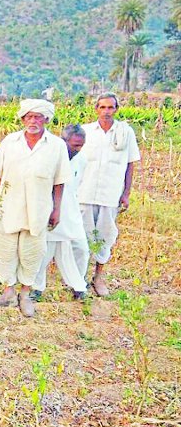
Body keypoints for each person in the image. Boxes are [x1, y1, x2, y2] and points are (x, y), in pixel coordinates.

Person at [0, 99, 71, 317]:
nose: (32, 121)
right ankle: (8, 292)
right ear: (23, 118)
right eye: (28, 117)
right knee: (5, 251)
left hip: (39, 208)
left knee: (32, 252)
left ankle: (24, 295)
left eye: (37, 117)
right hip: (8, 206)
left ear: (46, 119)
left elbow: (59, 181)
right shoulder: (10, 142)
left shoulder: (56, 146)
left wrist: (57, 209)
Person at [77, 92, 140, 296]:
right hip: (84, 193)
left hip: (110, 194)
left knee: (105, 236)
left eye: (110, 107)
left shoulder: (125, 132)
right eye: (102, 107)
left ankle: (99, 277)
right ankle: (80, 279)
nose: (106, 111)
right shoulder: (86, 131)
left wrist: (126, 194)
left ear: (116, 109)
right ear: (96, 109)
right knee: (82, 237)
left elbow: (130, 164)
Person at [33, 124, 89, 300]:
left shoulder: (81, 159)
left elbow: (76, 187)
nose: (78, 149)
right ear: (63, 141)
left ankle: (78, 284)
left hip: (71, 211)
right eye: (74, 145)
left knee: (81, 249)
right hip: (48, 209)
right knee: (44, 252)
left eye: (81, 145)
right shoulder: (49, 157)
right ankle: (36, 288)